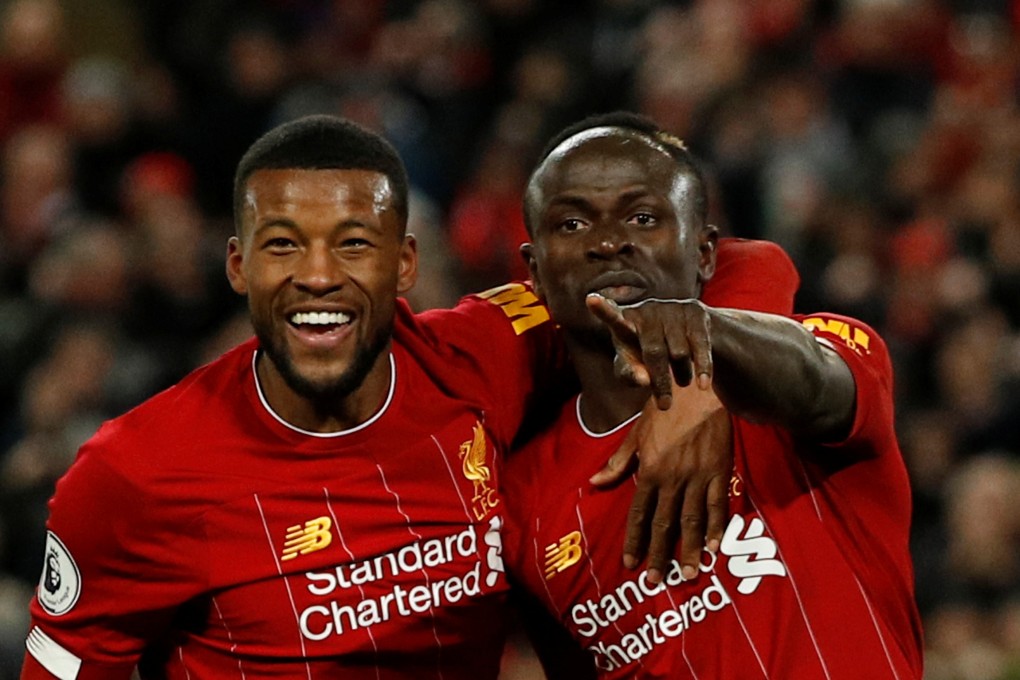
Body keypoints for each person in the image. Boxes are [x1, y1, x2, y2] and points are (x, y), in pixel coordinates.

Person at [20, 115, 794, 679]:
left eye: (354, 242)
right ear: (237, 266)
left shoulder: (486, 351)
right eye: (282, 243)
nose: (318, 275)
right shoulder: (136, 471)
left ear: (406, 264)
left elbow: (737, 262)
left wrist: (692, 376)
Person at [502, 111, 924, 679]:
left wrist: (700, 342)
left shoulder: (819, 359)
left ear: (705, 253)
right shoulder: (525, 500)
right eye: (572, 225)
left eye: (643, 216)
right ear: (534, 274)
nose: (608, 243)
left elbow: (816, 380)